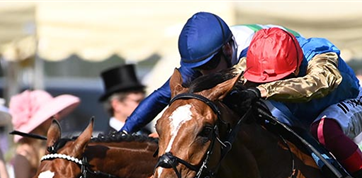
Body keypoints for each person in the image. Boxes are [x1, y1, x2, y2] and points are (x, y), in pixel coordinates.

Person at [234, 27, 362, 178]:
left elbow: (316, 84)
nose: (270, 84)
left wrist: (262, 91)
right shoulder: (253, 57)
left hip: (352, 100)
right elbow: (225, 80)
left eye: (280, 78)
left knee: (324, 130)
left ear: (295, 66)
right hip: (304, 114)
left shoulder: (320, 54)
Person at [121, 12, 287, 134]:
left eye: (211, 64)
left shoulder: (250, 49)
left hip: (290, 78)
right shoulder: (206, 56)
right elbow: (161, 96)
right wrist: (124, 132)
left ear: (227, 49)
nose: (206, 73)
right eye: (200, 68)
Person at [8, 89, 80, 178]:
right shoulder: (24, 154)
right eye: (51, 116)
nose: (57, 118)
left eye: (57, 114)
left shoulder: (47, 149)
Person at [99, 64, 147, 134]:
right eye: (137, 101)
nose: (144, 106)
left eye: (143, 101)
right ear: (116, 105)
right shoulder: (107, 142)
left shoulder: (147, 133)